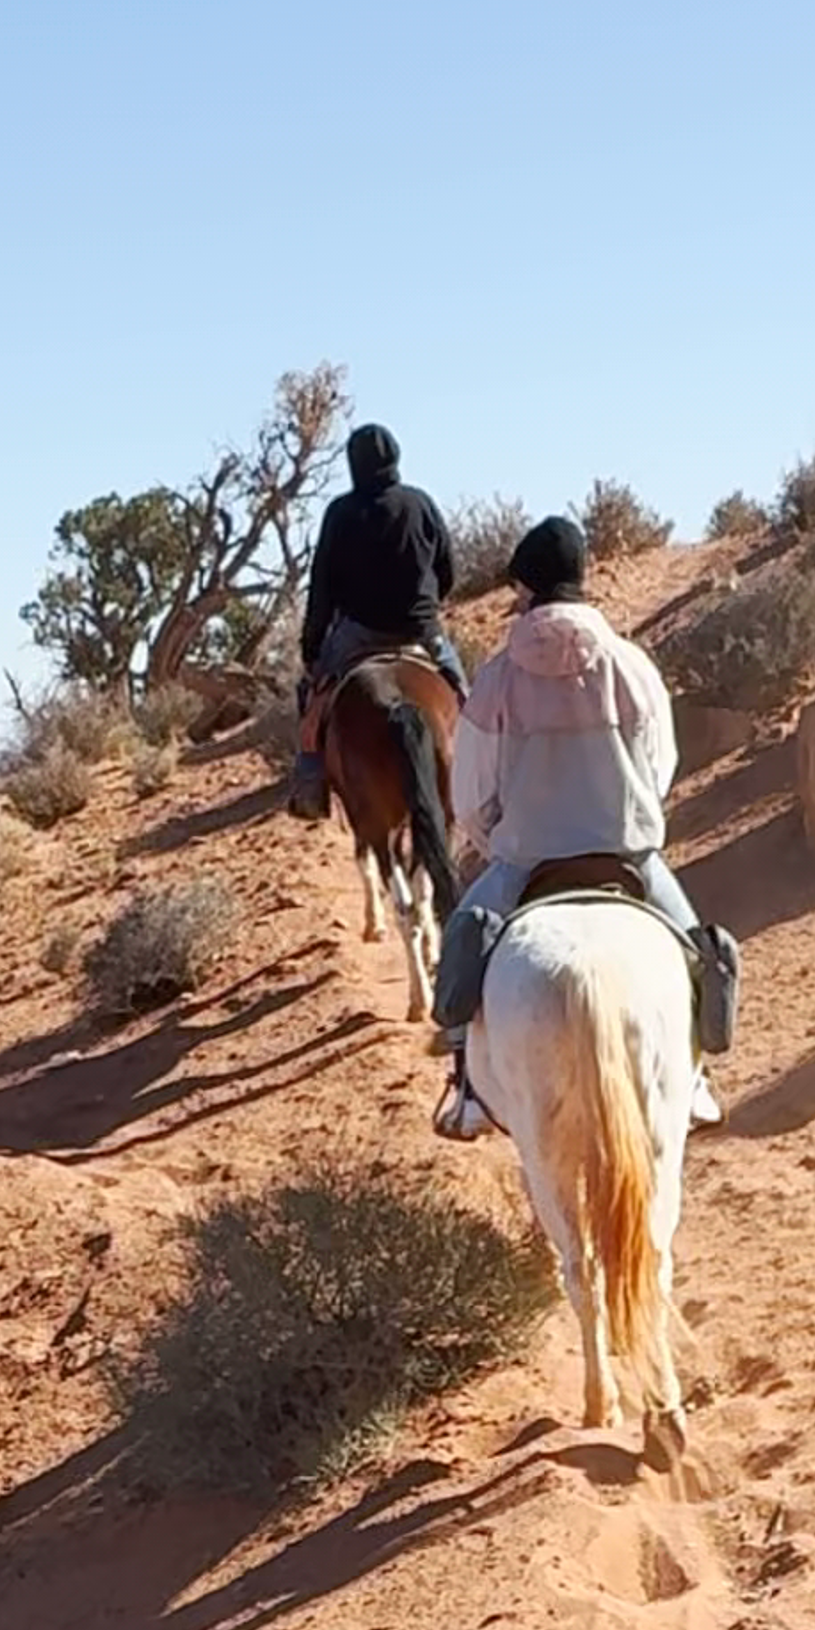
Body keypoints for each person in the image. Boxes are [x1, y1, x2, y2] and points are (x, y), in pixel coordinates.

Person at [429, 514, 725, 1137]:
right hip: (627, 858)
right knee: (699, 949)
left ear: (526, 590)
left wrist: (495, 840)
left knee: (461, 942)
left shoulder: (498, 678)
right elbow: (660, 764)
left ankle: (466, 1089)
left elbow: (472, 792)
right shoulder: (631, 665)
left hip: (527, 865)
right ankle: (696, 1079)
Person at [290, 422, 461, 810]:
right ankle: (490, 776)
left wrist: (312, 649)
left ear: (354, 465)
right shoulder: (421, 503)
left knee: (311, 699)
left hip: (359, 635)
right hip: (421, 631)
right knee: (466, 697)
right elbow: (448, 568)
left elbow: (322, 588)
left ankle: (309, 786)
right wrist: (430, 604)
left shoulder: (340, 512)